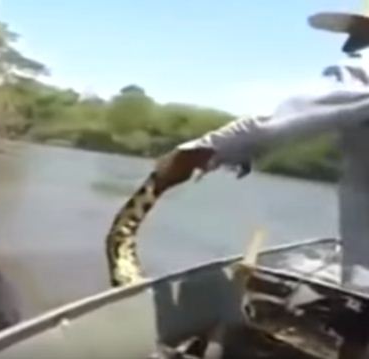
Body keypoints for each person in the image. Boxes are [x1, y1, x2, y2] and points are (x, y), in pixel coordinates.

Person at [151, 6, 369, 289]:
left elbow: (281, 120)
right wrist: (245, 150)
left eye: (357, 32)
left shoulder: (362, 69)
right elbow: (311, 123)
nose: (348, 44)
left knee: (361, 283)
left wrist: (198, 151)